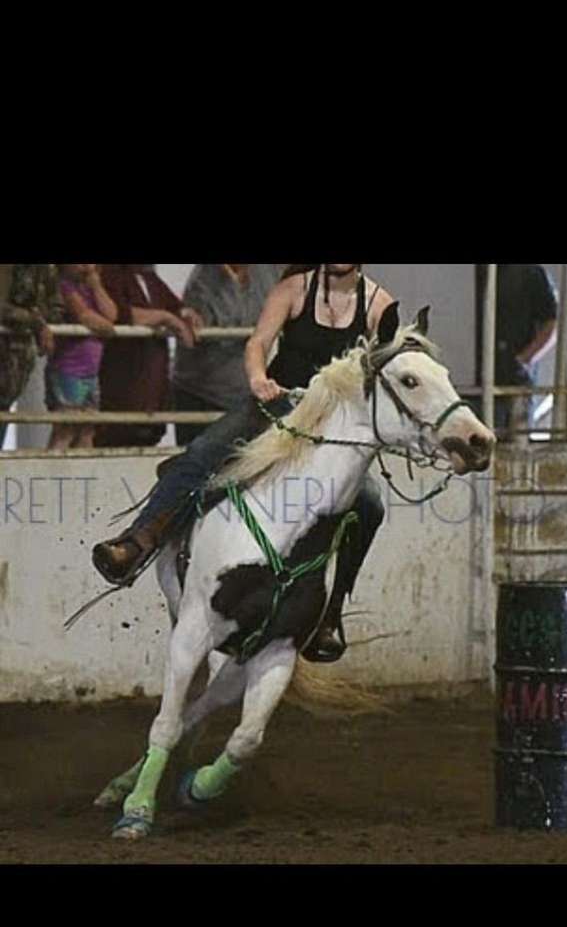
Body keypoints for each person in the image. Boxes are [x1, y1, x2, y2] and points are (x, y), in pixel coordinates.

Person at [92, 263, 395, 662]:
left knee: (370, 504)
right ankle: (138, 541)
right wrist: (257, 377)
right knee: (202, 453)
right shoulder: (292, 290)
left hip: (330, 425)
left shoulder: (380, 307)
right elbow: (258, 342)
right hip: (276, 406)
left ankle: (330, 614)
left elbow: (384, 372)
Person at [94, 265, 202, 448]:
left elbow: (173, 305)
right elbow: (120, 314)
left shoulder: (148, 277)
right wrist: (166, 318)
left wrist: (186, 313)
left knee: (146, 437)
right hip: (124, 379)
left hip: (152, 388)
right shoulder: (109, 274)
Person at [173, 264, 282, 443]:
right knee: (199, 464)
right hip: (203, 394)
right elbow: (199, 327)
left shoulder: (272, 270)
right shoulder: (203, 279)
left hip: (253, 393)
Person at [46, 266, 118, 451]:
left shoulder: (90, 289)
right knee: (65, 429)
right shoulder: (63, 287)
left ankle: (86, 476)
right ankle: (51, 473)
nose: (87, 266)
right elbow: (84, 315)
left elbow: (112, 314)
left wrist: (97, 287)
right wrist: (106, 327)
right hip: (67, 370)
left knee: (88, 429)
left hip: (91, 373)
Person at [0, 264, 63, 448]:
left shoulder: (43, 269)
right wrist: (33, 320)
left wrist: (36, 317)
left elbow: (57, 309)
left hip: (14, 369)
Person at [491, 265, 558, 433]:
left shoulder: (529, 272)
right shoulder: (470, 273)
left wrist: (524, 359)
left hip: (513, 380)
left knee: (515, 446)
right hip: (473, 379)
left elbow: (551, 326)